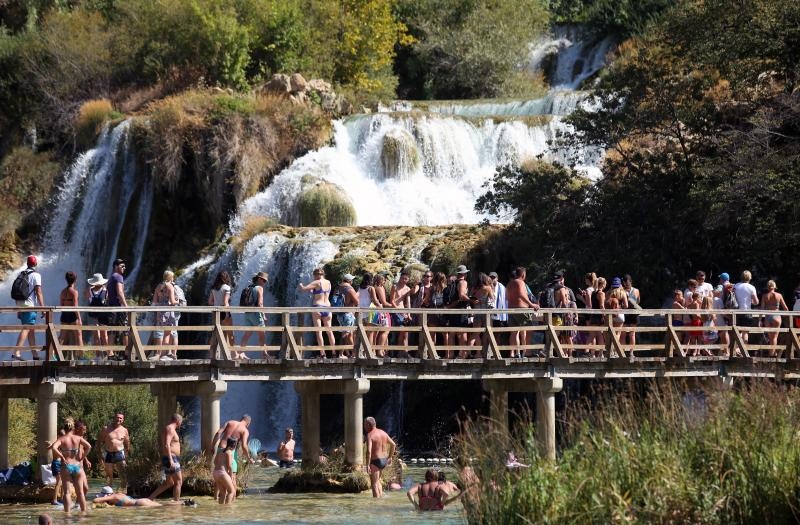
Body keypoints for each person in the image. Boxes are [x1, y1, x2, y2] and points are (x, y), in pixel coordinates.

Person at [49, 418, 91, 513]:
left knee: (67, 493)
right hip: (77, 465)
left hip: (66, 466)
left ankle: (67, 515)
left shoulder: (61, 439)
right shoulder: (78, 438)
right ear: (73, 428)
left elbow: (54, 448)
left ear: (65, 428)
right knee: (80, 492)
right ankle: (83, 513)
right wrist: (83, 457)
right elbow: (89, 447)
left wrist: (61, 456)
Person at [298, 268, 336, 358]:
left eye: (314, 276)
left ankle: (323, 354)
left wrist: (300, 285)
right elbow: (321, 292)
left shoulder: (316, 282)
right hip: (327, 307)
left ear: (316, 275)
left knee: (319, 331)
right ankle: (334, 352)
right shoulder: (328, 282)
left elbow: (304, 289)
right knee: (329, 331)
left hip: (318, 307)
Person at [210, 415, 253, 494]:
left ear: (241, 419)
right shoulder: (245, 430)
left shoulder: (230, 422)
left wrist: (213, 446)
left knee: (219, 472)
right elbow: (244, 445)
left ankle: (215, 498)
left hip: (220, 449)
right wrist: (249, 458)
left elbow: (218, 433)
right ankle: (232, 499)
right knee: (232, 476)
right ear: (248, 423)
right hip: (231, 452)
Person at [12, 255, 44, 360]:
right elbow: (38, 293)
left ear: (27, 263)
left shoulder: (21, 273)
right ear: (35, 264)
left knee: (31, 330)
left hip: (21, 304)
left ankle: (35, 355)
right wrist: (43, 308)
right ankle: (16, 352)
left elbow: (17, 290)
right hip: (29, 305)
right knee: (26, 328)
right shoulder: (36, 275)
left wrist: (18, 308)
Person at [507, 267, 540, 358]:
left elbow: (507, 297)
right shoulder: (520, 282)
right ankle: (528, 352)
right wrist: (532, 304)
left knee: (514, 332)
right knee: (529, 329)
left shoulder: (509, 283)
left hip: (511, 310)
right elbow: (521, 295)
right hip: (521, 310)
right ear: (523, 274)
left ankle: (514, 354)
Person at [149, 413, 183, 501]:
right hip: (171, 458)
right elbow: (167, 445)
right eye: (180, 422)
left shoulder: (169, 428)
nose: (180, 425)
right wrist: (171, 460)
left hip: (169, 457)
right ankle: (176, 502)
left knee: (169, 483)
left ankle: (150, 498)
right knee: (178, 481)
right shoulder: (170, 429)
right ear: (178, 421)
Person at [97, 412, 130, 491]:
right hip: (108, 453)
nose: (118, 419)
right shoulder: (106, 429)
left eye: (120, 418)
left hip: (120, 453)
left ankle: (123, 492)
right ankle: (108, 493)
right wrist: (100, 454)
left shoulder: (124, 430)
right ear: (114, 418)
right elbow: (99, 442)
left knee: (123, 476)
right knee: (109, 476)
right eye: (117, 417)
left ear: (123, 420)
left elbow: (127, 443)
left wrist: (127, 454)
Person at [364, 416, 396, 498]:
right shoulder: (383, 432)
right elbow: (393, 444)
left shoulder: (370, 435)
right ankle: (381, 498)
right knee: (378, 481)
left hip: (375, 461)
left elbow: (369, 451)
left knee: (374, 483)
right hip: (384, 460)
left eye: (364, 424)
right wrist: (390, 457)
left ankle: (376, 503)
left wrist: (367, 465)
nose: (364, 426)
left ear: (368, 424)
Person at [240, 272, 269, 357]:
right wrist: (263, 315)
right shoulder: (259, 288)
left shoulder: (249, 287)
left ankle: (241, 353)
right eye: (264, 280)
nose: (264, 283)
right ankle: (264, 354)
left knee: (247, 334)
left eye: (265, 281)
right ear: (259, 279)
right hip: (256, 314)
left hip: (248, 313)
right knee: (262, 334)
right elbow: (260, 303)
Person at [151, 270, 178, 360]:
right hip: (168, 312)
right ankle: (164, 354)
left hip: (159, 312)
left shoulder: (159, 286)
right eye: (172, 277)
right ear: (170, 278)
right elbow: (173, 302)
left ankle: (159, 354)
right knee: (167, 333)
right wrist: (178, 301)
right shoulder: (170, 286)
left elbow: (154, 301)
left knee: (160, 333)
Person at [467, 272, 496, 355]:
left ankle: (472, 352)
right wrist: (492, 288)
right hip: (485, 313)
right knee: (487, 333)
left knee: (476, 333)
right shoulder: (487, 288)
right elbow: (492, 299)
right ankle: (483, 353)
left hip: (476, 313)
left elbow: (470, 298)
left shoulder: (473, 289)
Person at [208, 270, 237, 354]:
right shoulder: (227, 288)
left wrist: (217, 303)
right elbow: (225, 303)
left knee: (215, 334)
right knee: (230, 333)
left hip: (215, 312)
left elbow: (210, 302)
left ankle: (212, 354)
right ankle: (233, 354)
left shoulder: (214, 288)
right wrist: (227, 314)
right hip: (224, 312)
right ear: (226, 277)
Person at [58, 271, 84, 356]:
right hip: (73, 315)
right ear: (75, 280)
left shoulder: (62, 292)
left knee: (61, 337)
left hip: (64, 315)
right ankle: (81, 356)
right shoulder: (74, 292)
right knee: (78, 336)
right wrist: (79, 319)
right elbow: (75, 306)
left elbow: (61, 305)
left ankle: (54, 354)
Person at [106, 258, 129, 352]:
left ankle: (110, 352)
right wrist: (126, 306)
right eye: (122, 266)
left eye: (124, 266)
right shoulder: (119, 277)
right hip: (119, 307)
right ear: (116, 267)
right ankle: (127, 353)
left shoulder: (112, 277)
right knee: (125, 330)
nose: (124, 268)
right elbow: (120, 292)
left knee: (112, 330)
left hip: (112, 307)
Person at [761, 280, 788, 356]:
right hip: (776, 316)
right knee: (775, 337)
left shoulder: (765, 296)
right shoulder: (779, 295)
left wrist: (759, 320)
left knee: (770, 337)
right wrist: (787, 317)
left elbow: (762, 309)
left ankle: (772, 353)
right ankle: (772, 354)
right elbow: (785, 308)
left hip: (768, 316)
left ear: (767, 287)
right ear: (775, 286)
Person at [86, 273, 110, 355]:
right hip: (103, 315)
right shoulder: (105, 290)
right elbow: (107, 300)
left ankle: (98, 355)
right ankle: (108, 354)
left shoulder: (90, 290)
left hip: (92, 315)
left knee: (96, 336)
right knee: (104, 335)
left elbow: (88, 298)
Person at [335, 273, 359, 357]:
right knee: (346, 334)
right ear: (349, 281)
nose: (352, 281)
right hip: (347, 314)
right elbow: (357, 302)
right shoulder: (349, 289)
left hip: (339, 314)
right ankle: (353, 353)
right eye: (351, 279)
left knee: (345, 333)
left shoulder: (338, 288)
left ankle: (342, 354)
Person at [389, 272, 413, 354]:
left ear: (408, 280)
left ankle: (404, 352)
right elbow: (392, 301)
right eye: (402, 278)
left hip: (403, 311)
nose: (404, 280)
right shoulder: (395, 287)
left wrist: (409, 314)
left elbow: (408, 302)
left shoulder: (407, 289)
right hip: (395, 310)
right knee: (402, 330)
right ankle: (399, 352)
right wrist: (399, 312)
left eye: (406, 279)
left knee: (405, 332)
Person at [734, 270, 759, 342]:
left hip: (736, 312)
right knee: (745, 332)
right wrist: (752, 302)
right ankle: (743, 351)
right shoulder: (751, 287)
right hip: (747, 312)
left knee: (737, 332)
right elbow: (756, 302)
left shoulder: (736, 286)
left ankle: (737, 350)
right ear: (750, 278)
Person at [357, 273, 381, 348]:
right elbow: (375, 300)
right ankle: (368, 352)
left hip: (361, 311)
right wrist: (381, 307)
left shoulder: (359, 288)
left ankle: (362, 351)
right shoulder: (371, 288)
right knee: (370, 333)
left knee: (362, 332)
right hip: (370, 312)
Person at [212, 438, 237, 504]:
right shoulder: (229, 452)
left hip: (215, 473)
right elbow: (229, 466)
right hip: (222, 473)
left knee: (223, 493)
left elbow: (214, 462)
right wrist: (231, 477)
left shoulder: (220, 451)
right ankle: (228, 510)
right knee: (231, 491)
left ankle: (221, 510)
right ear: (234, 446)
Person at [93, 486, 161, 507]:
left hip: (139, 504)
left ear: (106, 495)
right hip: (143, 500)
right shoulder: (119, 494)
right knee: (164, 506)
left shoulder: (112, 496)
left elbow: (95, 500)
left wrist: (103, 500)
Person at [622, 274, 641, 347]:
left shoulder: (621, 290)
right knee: (631, 334)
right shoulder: (636, 290)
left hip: (626, 313)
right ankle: (630, 353)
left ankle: (624, 353)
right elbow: (638, 301)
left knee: (624, 334)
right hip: (633, 313)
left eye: (625, 282)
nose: (625, 284)